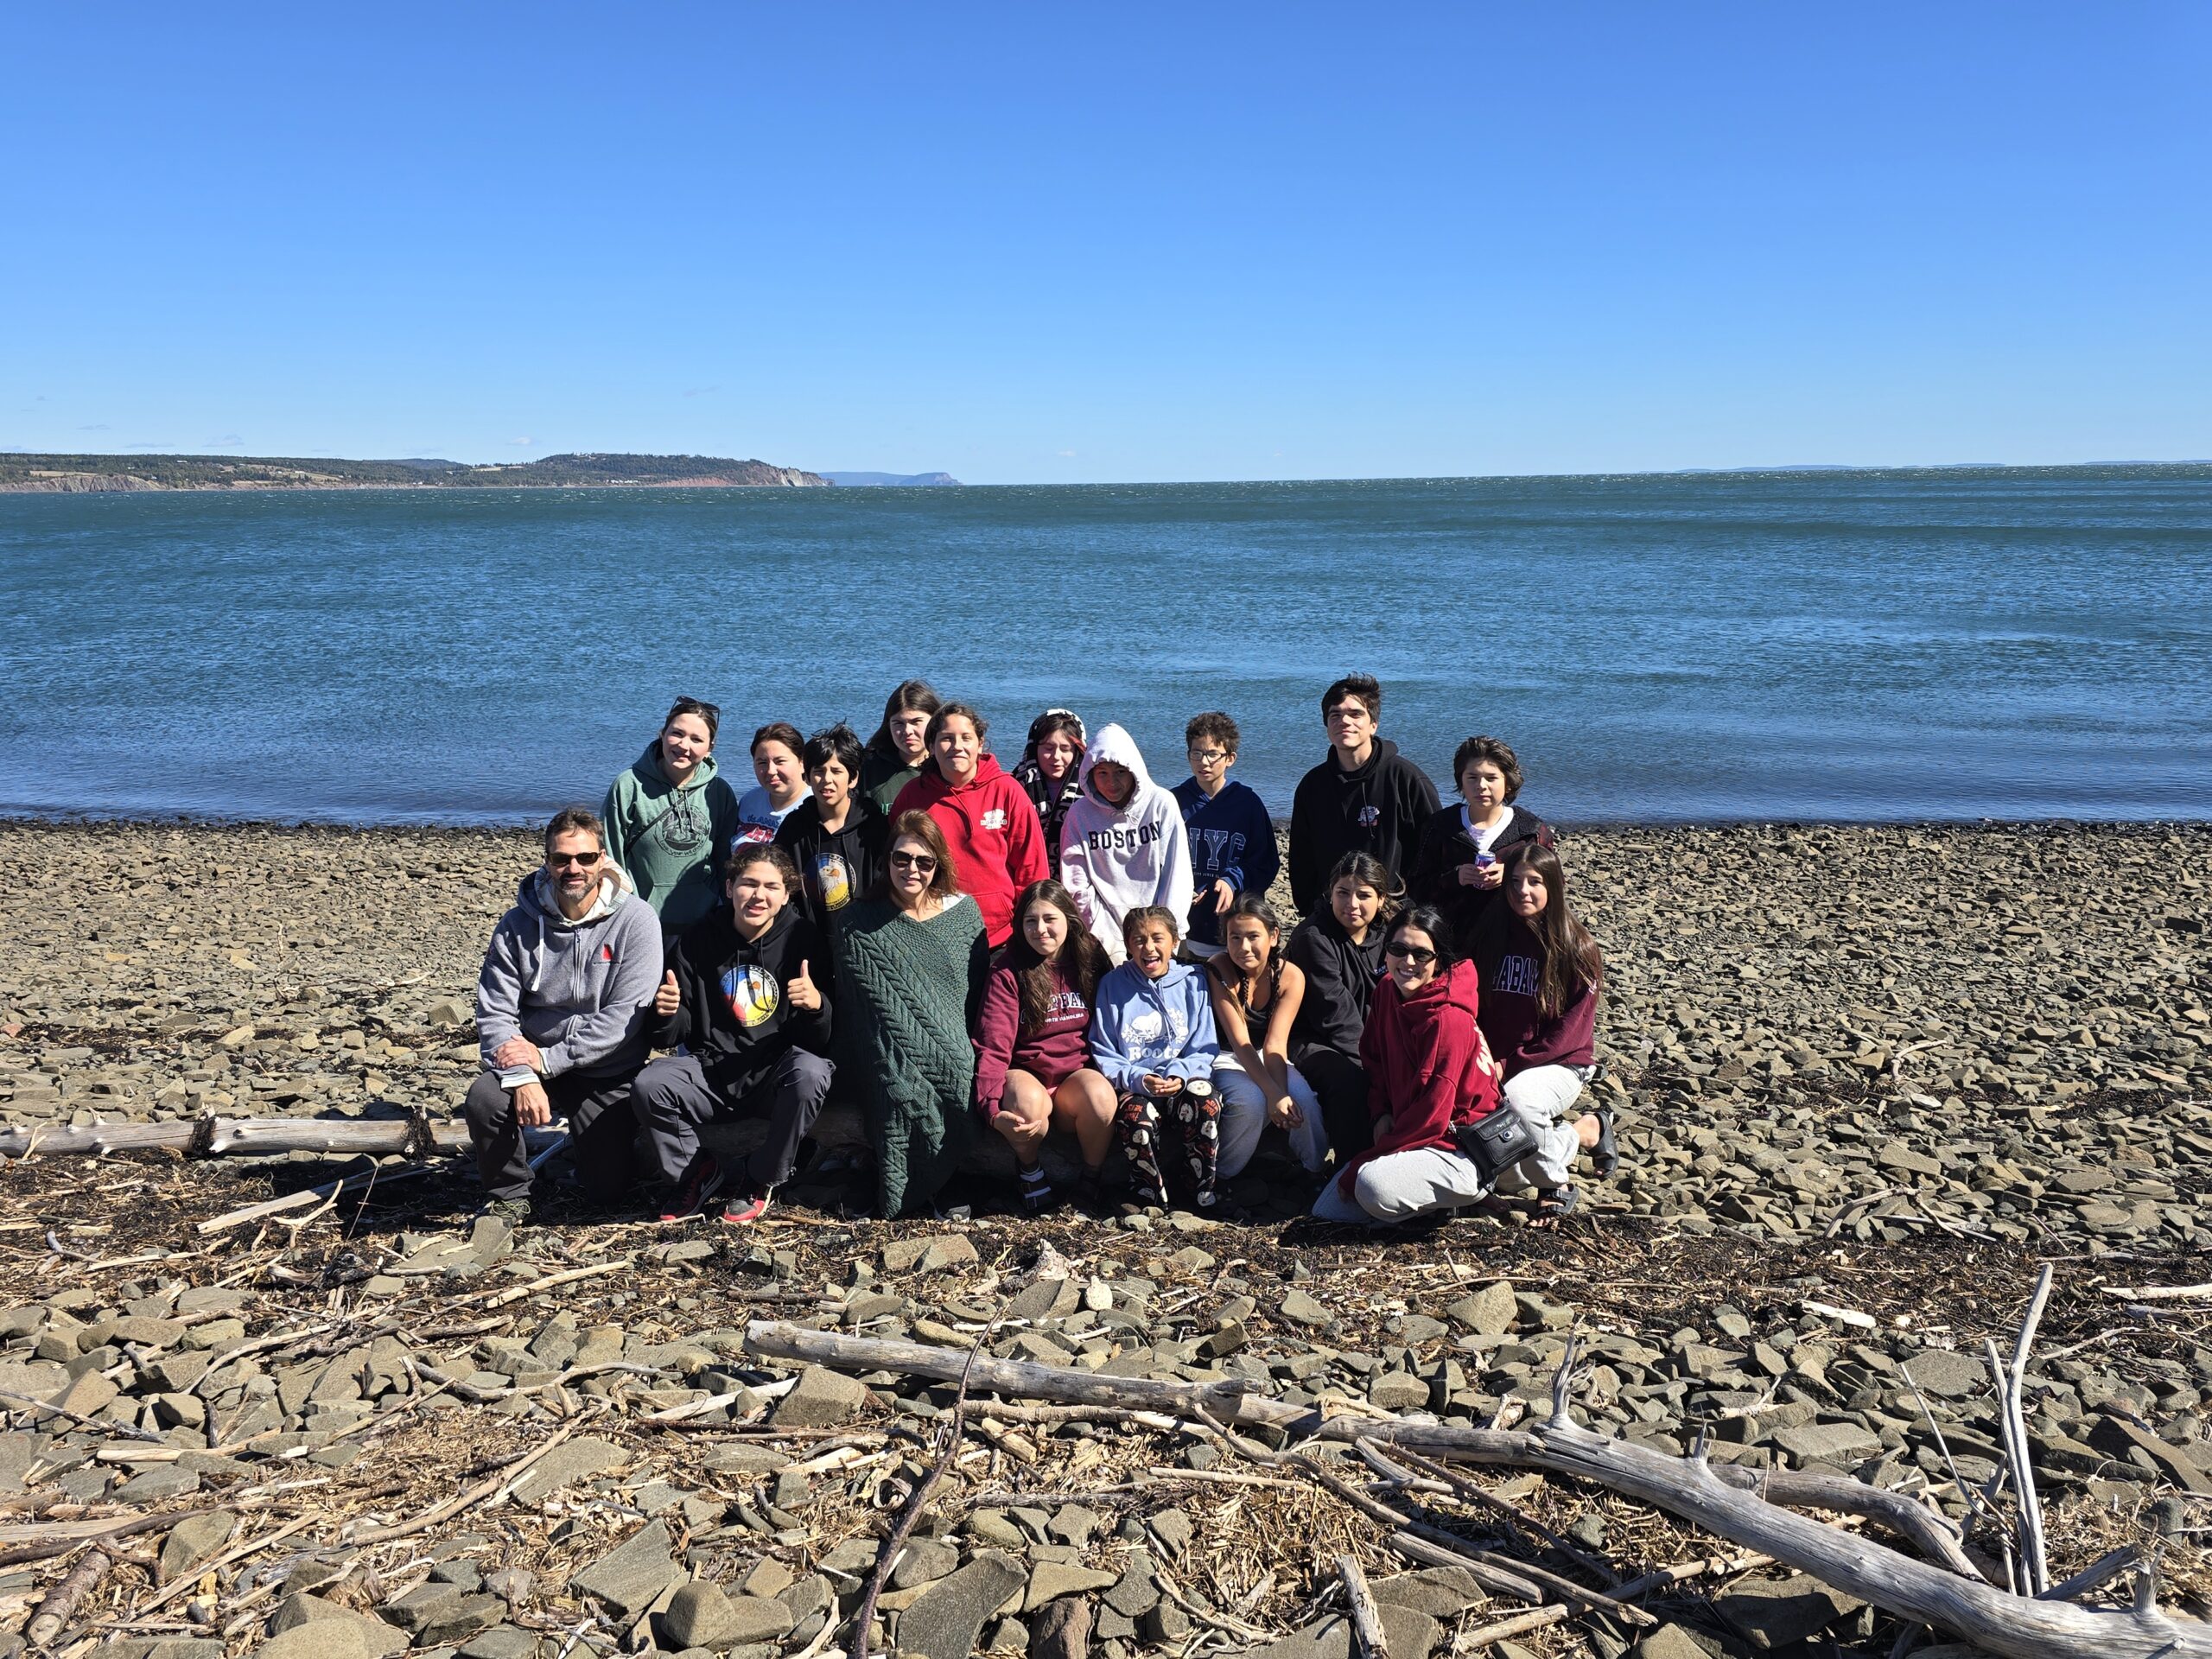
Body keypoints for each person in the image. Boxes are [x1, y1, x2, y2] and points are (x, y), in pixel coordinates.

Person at [464, 808, 662, 1223]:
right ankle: (510, 1194)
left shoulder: (637, 920)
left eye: (586, 858)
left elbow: (624, 1017)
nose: (574, 868)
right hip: (534, 1062)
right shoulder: (517, 925)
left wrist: (547, 1060)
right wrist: (523, 1075)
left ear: (603, 859)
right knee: (485, 1098)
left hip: (608, 1070)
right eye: (562, 859)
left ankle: (592, 1148)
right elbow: (494, 1009)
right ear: (547, 862)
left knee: (607, 1194)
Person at [632, 846, 834, 1225]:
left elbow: (818, 1042)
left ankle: (761, 1178)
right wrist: (666, 1013)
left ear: (786, 894)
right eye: (749, 884)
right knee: (650, 1082)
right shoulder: (697, 939)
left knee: (812, 1072)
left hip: (774, 1074)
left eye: (771, 887)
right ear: (729, 888)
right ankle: (696, 1172)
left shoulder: (804, 940)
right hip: (712, 1072)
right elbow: (676, 1033)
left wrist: (816, 1006)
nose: (759, 895)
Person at [833, 811, 991, 1217]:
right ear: (887, 860)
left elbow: (974, 994)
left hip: (954, 1034)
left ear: (938, 863)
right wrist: (899, 1047)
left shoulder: (964, 914)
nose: (912, 870)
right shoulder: (857, 922)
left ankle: (944, 1177)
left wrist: (953, 1041)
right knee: (895, 1081)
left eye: (924, 861)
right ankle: (925, 1183)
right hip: (884, 1040)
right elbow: (863, 1006)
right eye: (902, 859)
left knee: (958, 1067)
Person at [1310, 906, 1502, 1227]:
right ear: (1385, 952)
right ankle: (1436, 1200)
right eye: (1398, 950)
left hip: (1461, 1143)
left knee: (1370, 1187)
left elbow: (1431, 1115)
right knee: (1327, 1211)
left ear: (1439, 960)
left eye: (1421, 954)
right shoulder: (1387, 990)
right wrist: (1380, 1112)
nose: (1408, 962)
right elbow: (1374, 1060)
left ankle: (1463, 1195)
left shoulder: (1448, 1019)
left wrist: (1367, 1160)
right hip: (1412, 1129)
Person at [1468, 841, 1612, 1214]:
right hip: (1497, 1061)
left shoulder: (1576, 947)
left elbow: (1570, 1033)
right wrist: (1481, 1057)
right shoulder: (1488, 933)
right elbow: (1471, 1006)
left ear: (1553, 886)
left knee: (1520, 1103)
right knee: (1502, 1170)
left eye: (1534, 881)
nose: (1523, 891)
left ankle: (1555, 1186)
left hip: (1559, 1063)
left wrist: (1509, 1065)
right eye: (1515, 881)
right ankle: (1582, 1131)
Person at [972, 879, 1117, 1214]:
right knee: (1029, 1103)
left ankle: (1091, 1176)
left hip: (1074, 1078)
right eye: (1030, 921)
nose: (1040, 930)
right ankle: (1029, 1169)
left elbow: (1115, 1018)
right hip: (1027, 1073)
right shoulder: (1007, 971)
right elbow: (993, 1045)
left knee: (1100, 1099)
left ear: (1069, 918)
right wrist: (991, 1110)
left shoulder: (1090, 958)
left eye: (1050, 919)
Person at [1091, 906, 1223, 1211]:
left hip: (1182, 1080)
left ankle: (1198, 1186)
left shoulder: (1194, 979)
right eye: (1138, 940)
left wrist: (1180, 1074)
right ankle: (1148, 1191)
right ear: (1127, 945)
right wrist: (1138, 1079)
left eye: (1157, 938)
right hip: (1136, 1082)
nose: (1148, 948)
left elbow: (1204, 1045)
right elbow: (1104, 1049)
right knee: (1134, 1117)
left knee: (1206, 1101)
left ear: (1174, 941)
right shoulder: (1112, 985)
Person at [891, 702, 1049, 948]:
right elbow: (896, 863)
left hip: (1001, 936)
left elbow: (1032, 869)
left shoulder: (1007, 791)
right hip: (933, 932)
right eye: (946, 738)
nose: (957, 747)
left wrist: (1027, 925)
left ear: (980, 743)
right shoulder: (912, 796)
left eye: (966, 738)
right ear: (931, 746)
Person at [1287, 674, 1439, 918]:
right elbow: (1301, 858)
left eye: (1356, 714)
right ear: (1326, 725)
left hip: (1393, 915)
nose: (1344, 721)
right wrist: (1311, 908)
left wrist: (1411, 909)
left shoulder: (1405, 778)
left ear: (1373, 725)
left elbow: (1435, 847)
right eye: (1335, 715)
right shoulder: (1312, 786)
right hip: (1331, 914)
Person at [1283, 851, 1395, 1161]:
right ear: (1330, 893)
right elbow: (1336, 1016)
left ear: (1381, 899)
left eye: (1364, 895)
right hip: (1314, 1038)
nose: (1352, 904)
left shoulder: (1390, 937)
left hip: (1374, 1038)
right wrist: (1378, 1064)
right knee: (1352, 1080)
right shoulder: (1314, 938)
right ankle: (1351, 1170)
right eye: (1343, 893)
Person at [1206, 896, 1327, 1179]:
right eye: (1234, 937)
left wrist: (1282, 1096)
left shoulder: (1290, 976)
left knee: (1304, 1100)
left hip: (1266, 1053)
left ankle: (1314, 1170)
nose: (1243, 947)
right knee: (1251, 1100)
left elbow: (1275, 1044)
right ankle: (1221, 1175)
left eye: (1253, 936)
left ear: (1273, 936)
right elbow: (1239, 1041)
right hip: (1223, 1055)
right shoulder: (1219, 968)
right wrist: (1272, 1095)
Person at [1058, 722, 1195, 966]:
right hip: (1103, 933)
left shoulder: (1161, 804)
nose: (1112, 783)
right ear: (1090, 773)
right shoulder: (1079, 814)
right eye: (1102, 774)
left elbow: (1177, 873)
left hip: (1159, 931)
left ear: (1133, 769)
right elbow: (1076, 881)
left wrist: (1165, 931)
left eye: (1120, 772)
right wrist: (1104, 936)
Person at [601, 696, 742, 931]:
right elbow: (612, 857)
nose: (684, 746)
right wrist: (626, 913)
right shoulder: (629, 786)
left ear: (710, 748)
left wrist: (727, 911)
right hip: (642, 923)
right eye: (677, 733)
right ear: (662, 734)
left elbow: (724, 859)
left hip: (704, 923)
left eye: (697, 739)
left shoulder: (718, 792)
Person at [1411, 735, 1554, 951]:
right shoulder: (1440, 826)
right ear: (1461, 782)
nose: (1481, 786)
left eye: (1491, 778)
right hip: (1451, 943)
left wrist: (1512, 877)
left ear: (1508, 783)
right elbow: (1416, 887)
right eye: (1472, 777)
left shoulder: (1531, 831)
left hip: (1512, 941)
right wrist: (1455, 878)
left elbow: (1554, 887)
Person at [1173, 711, 1279, 959]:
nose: (1204, 762)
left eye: (1212, 754)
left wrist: (1232, 880)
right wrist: (1179, 887)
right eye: (1196, 753)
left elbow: (1265, 863)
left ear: (1230, 758)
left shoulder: (1248, 804)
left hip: (1233, 929)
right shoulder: (1173, 801)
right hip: (1185, 927)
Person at [775, 723, 889, 938]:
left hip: (864, 936)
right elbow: (782, 885)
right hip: (808, 937)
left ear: (853, 778)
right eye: (818, 772)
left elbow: (884, 886)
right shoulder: (795, 826)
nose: (827, 780)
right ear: (807, 777)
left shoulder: (873, 825)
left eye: (837, 771)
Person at [858, 679, 941, 814]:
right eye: (898, 723)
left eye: (916, 722)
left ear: (935, 721)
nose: (907, 731)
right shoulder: (868, 767)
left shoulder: (946, 767)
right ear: (888, 725)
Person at [1010, 709, 1086, 854]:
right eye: (1048, 748)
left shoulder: (1091, 789)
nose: (1056, 756)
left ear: (1078, 751)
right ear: (1033, 749)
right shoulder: (1014, 786)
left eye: (1065, 749)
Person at [732, 721, 810, 850]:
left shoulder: (814, 807)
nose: (771, 771)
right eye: (762, 762)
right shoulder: (749, 800)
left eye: (780, 761)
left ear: (802, 762)